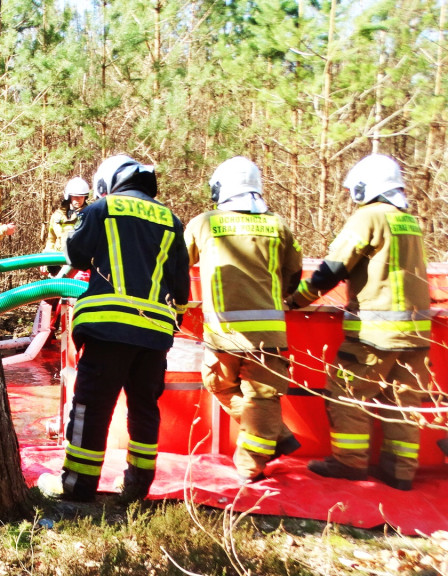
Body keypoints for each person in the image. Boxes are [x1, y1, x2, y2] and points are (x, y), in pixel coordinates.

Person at [38, 155, 190, 504]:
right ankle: (137, 488)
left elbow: (75, 255)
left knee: (91, 408)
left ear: (109, 182)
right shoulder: (171, 219)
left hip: (108, 329)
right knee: (144, 408)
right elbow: (180, 284)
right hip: (154, 336)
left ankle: (77, 487)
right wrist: (173, 319)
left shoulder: (102, 208)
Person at [287, 154, 431, 491]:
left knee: (345, 393)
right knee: (402, 404)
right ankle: (400, 472)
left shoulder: (368, 217)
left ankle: (349, 463)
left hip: (375, 334)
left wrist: (297, 300)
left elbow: (333, 268)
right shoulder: (409, 221)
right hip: (416, 335)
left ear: (369, 186)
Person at [184, 157, 303, 483]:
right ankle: (273, 438)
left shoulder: (204, 223)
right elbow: (294, 275)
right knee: (262, 400)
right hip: (268, 334)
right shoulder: (278, 226)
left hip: (222, 334)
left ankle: (252, 467)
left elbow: (175, 265)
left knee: (218, 384)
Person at [42, 177, 89, 277]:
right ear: (69, 196)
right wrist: (44, 260)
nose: (78, 200)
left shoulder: (88, 216)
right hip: (56, 266)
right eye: (75, 196)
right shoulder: (57, 216)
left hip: (78, 267)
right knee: (54, 291)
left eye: (81, 197)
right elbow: (51, 240)